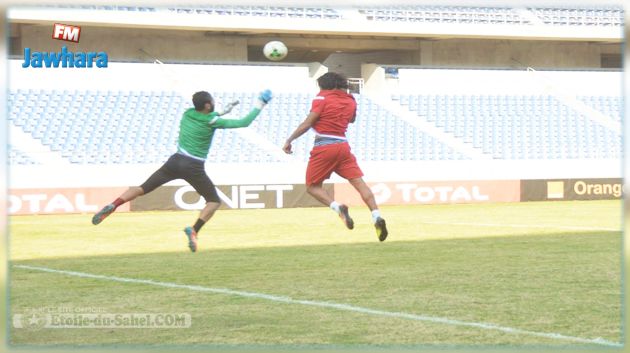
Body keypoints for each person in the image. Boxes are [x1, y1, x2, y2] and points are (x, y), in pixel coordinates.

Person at [92, 89, 273, 252]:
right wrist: (260, 103)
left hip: (175, 160)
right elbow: (244, 122)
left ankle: (114, 205)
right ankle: (194, 230)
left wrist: (223, 110)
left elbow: (208, 115)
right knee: (213, 201)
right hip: (193, 166)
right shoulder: (212, 121)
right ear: (208, 105)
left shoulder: (188, 114)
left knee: (142, 188)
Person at [282, 72, 388, 241]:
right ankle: (376, 215)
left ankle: (338, 207)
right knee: (360, 184)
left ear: (326, 85)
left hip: (324, 146)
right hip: (343, 146)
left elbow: (308, 123)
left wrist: (289, 140)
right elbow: (352, 119)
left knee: (312, 186)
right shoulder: (351, 100)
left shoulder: (321, 98)